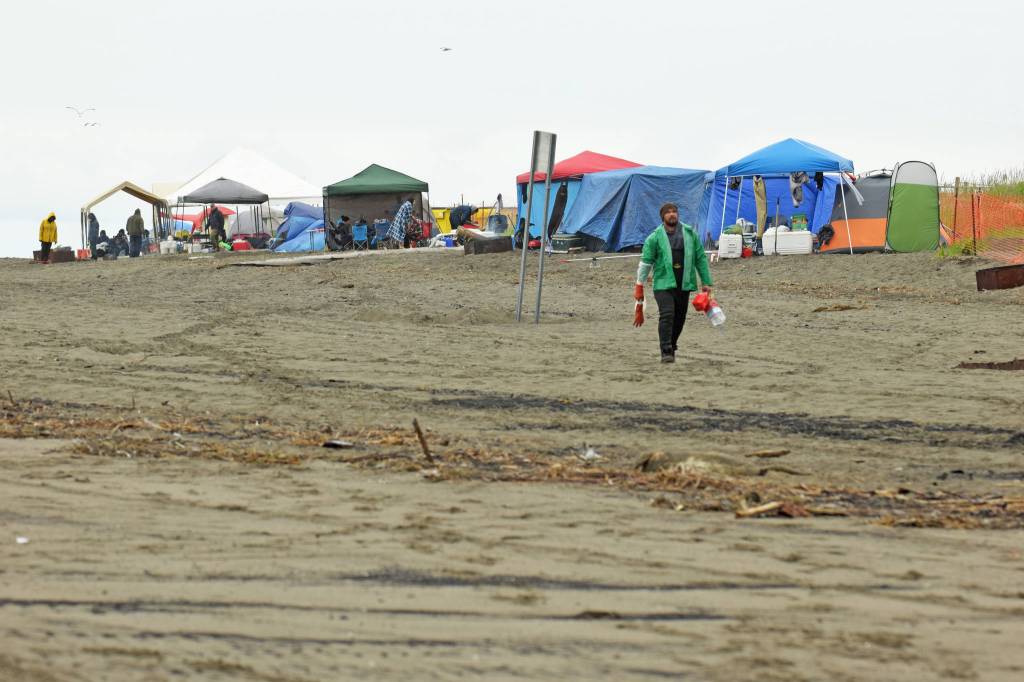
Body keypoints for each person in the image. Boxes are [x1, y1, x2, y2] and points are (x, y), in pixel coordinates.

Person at [633, 202, 713, 363]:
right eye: (668, 212)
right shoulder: (654, 237)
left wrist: (706, 282)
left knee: (680, 317)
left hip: (684, 282)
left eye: (674, 211)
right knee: (667, 314)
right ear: (662, 217)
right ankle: (666, 349)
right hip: (663, 283)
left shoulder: (690, 234)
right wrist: (639, 285)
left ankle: (673, 344)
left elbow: (700, 259)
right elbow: (645, 263)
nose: (672, 214)